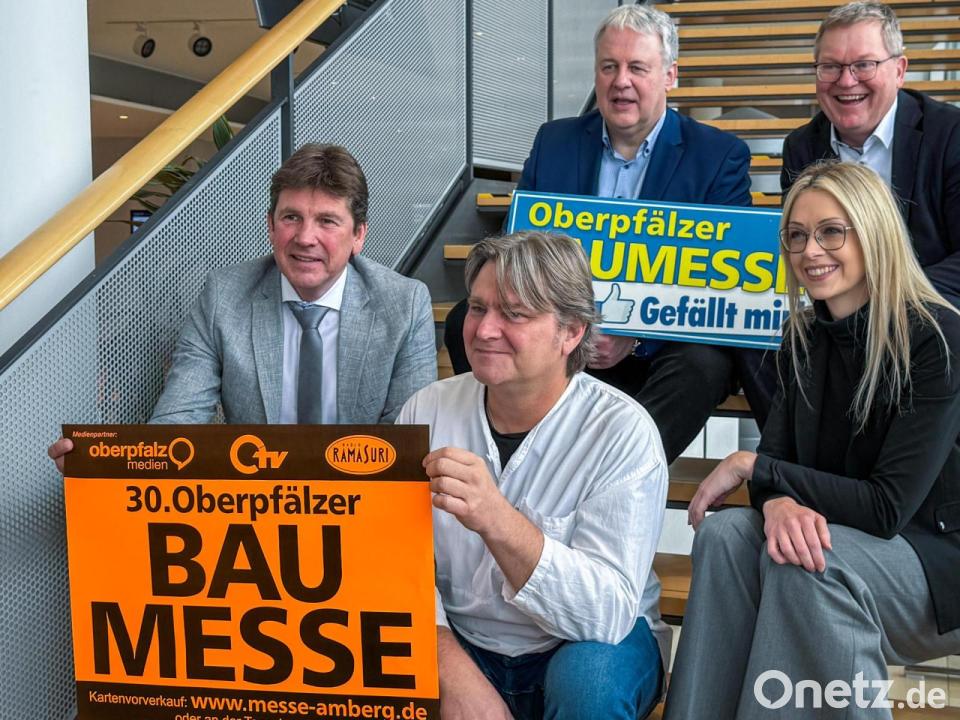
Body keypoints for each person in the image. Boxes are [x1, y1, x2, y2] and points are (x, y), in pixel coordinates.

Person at [663, 161, 960, 720]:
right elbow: (776, 463)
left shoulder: (936, 337)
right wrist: (777, 500)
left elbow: (886, 508)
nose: (810, 251)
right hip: (849, 541)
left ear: (872, 233)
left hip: (935, 564)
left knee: (805, 558)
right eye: (796, 235)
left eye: (831, 232)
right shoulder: (801, 336)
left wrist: (760, 472)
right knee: (727, 535)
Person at [446, 4, 771, 456]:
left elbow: (722, 282)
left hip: (657, 351)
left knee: (706, 364)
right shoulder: (554, 142)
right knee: (466, 319)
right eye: (609, 67)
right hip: (560, 337)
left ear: (670, 75)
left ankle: (612, 471)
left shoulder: (718, 155)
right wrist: (568, 327)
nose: (621, 81)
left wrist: (637, 336)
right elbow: (515, 251)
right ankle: (514, 449)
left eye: (638, 67)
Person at [399, 231, 669, 719]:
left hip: (587, 643)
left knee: (589, 685)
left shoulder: (622, 431)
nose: (484, 330)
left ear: (572, 332)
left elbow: (606, 614)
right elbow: (399, 567)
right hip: (461, 635)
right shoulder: (427, 409)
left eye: (514, 314)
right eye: (477, 308)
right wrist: (450, 669)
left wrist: (497, 519)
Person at [49, 144, 436, 467]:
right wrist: (101, 466)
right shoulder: (224, 296)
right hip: (254, 506)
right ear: (271, 226)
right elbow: (180, 421)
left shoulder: (403, 305)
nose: (305, 237)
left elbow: (408, 447)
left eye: (327, 221)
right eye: (291, 217)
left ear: (358, 236)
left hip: (364, 507)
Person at [782, 1, 960, 307]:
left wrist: (883, 301)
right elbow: (800, 248)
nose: (846, 81)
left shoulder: (951, 135)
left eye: (864, 65)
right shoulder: (801, 147)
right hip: (839, 322)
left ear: (899, 71)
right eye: (831, 66)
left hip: (932, 316)